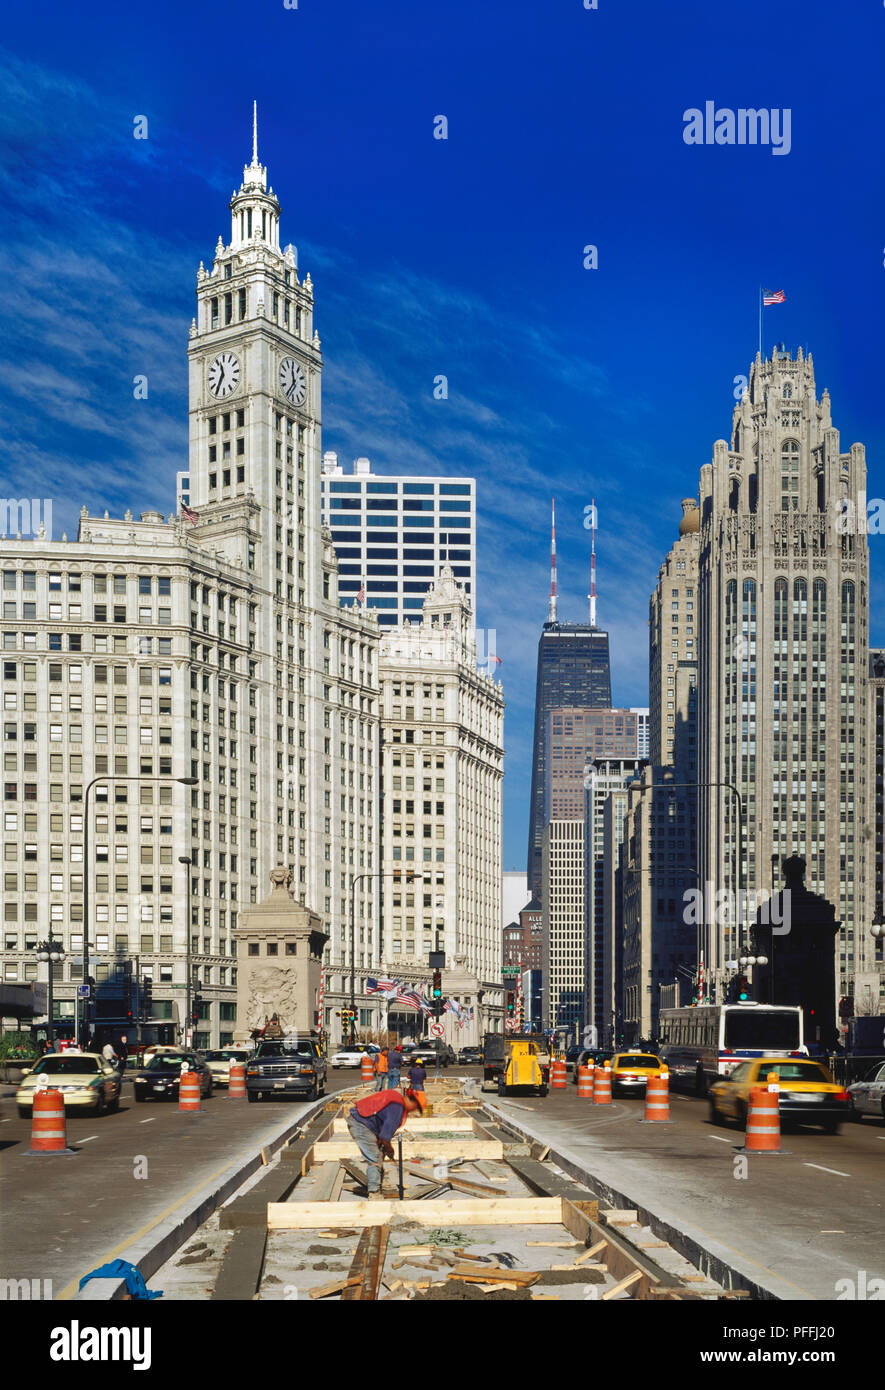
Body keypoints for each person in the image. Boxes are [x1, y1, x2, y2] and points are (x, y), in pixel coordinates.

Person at [346, 1087, 428, 1198]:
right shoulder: (397, 1108)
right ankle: (374, 1193)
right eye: (416, 1108)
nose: (414, 1111)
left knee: (379, 1153)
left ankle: (378, 1183)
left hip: (363, 1121)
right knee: (374, 1158)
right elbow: (385, 1136)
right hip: (361, 1123)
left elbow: (381, 1126)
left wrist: (384, 1147)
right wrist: (390, 1149)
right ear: (411, 1100)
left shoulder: (396, 1098)